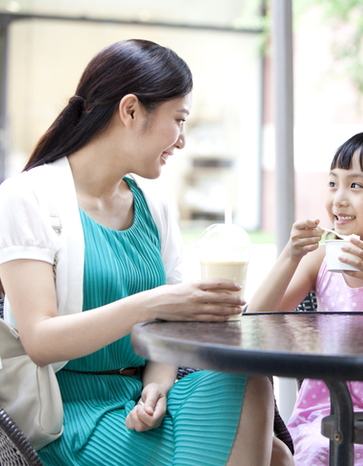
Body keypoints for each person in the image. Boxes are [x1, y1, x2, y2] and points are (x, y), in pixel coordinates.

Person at [0, 39, 292, 466]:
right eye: (179, 119)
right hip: (68, 414)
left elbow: (168, 331)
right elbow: (41, 341)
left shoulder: (154, 204)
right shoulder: (26, 198)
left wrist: (158, 384)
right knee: (275, 455)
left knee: (252, 387)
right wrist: (155, 301)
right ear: (131, 110)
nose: (183, 140)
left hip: (142, 399)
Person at [247, 131, 363, 466]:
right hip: (324, 412)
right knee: (315, 453)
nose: (338, 198)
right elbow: (256, 317)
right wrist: (290, 255)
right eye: (333, 183)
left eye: (356, 185)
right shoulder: (321, 256)